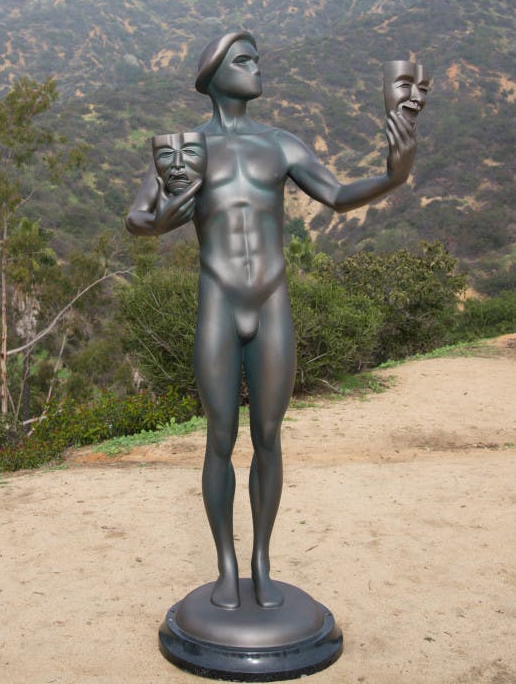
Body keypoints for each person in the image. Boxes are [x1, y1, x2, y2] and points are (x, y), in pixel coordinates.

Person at [127, 31, 418, 610]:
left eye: (257, 59)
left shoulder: (281, 145)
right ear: (213, 76)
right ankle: (226, 567)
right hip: (218, 299)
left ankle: (260, 559)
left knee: (268, 436)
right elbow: (137, 217)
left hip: (272, 302)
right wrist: (162, 220)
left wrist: (394, 174)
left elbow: (335, 194)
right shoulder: (188, 148)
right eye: (244, 60)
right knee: (218, 437)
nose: (258, 68)